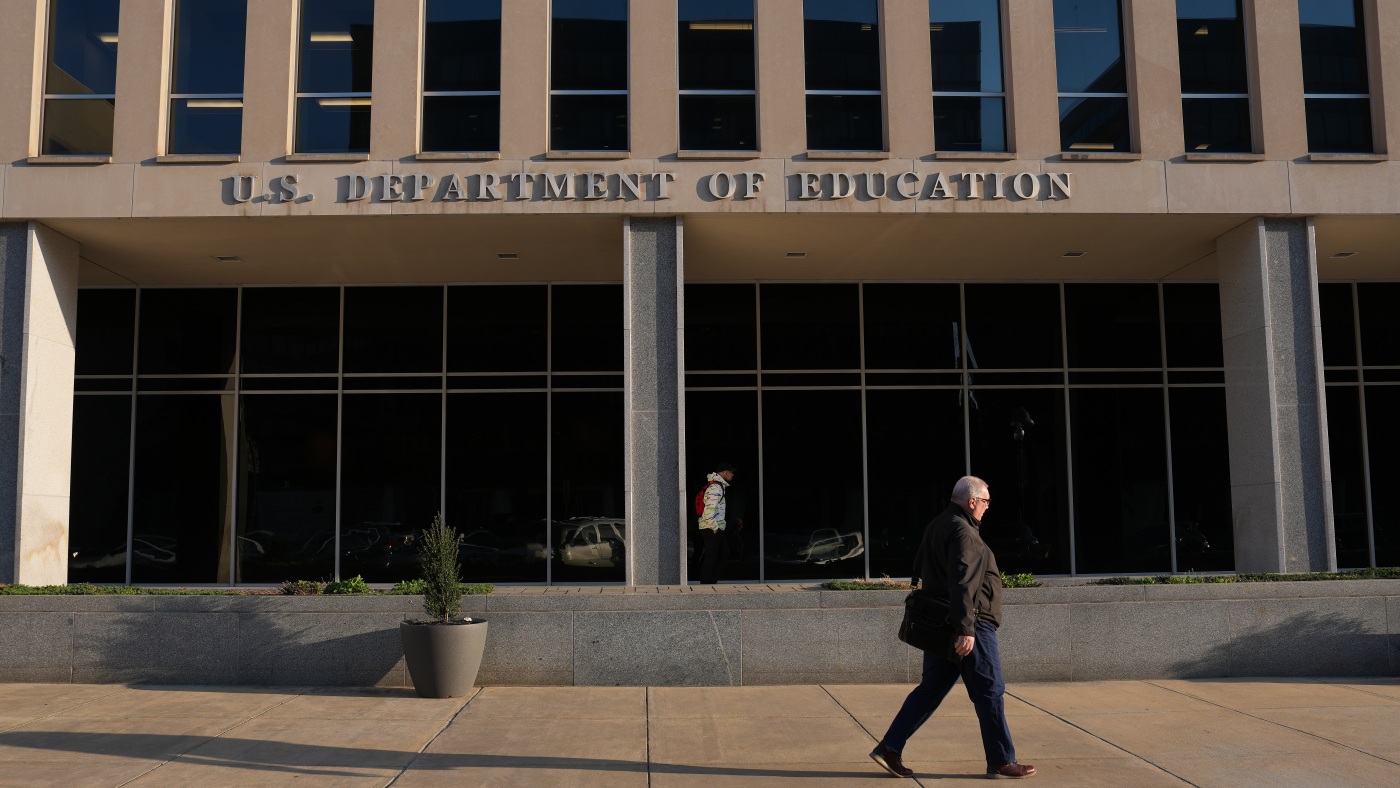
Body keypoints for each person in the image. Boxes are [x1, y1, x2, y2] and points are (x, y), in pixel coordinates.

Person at [869, 476, 1037, 780]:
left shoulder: (938, 524)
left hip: (942, 625)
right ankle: (1001, 760)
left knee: (930, 690)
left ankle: (889, 748)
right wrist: (965, 629)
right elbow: (962, 582)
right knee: (990, 691)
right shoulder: (964, 532)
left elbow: (921, 567)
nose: (987, 508)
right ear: (971, 501)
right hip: (970, 624)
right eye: (985, 502)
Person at [696, 462, 736, 584]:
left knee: (722, 552)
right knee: (712, 555)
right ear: (724, 473)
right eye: (730, 472)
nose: (732, 475)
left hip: (715, 526)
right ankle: (706, 582)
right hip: (711, 526)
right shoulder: (715, 488)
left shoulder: (719, 486)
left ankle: (710, 580)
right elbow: (709, 509)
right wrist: (714, 527)